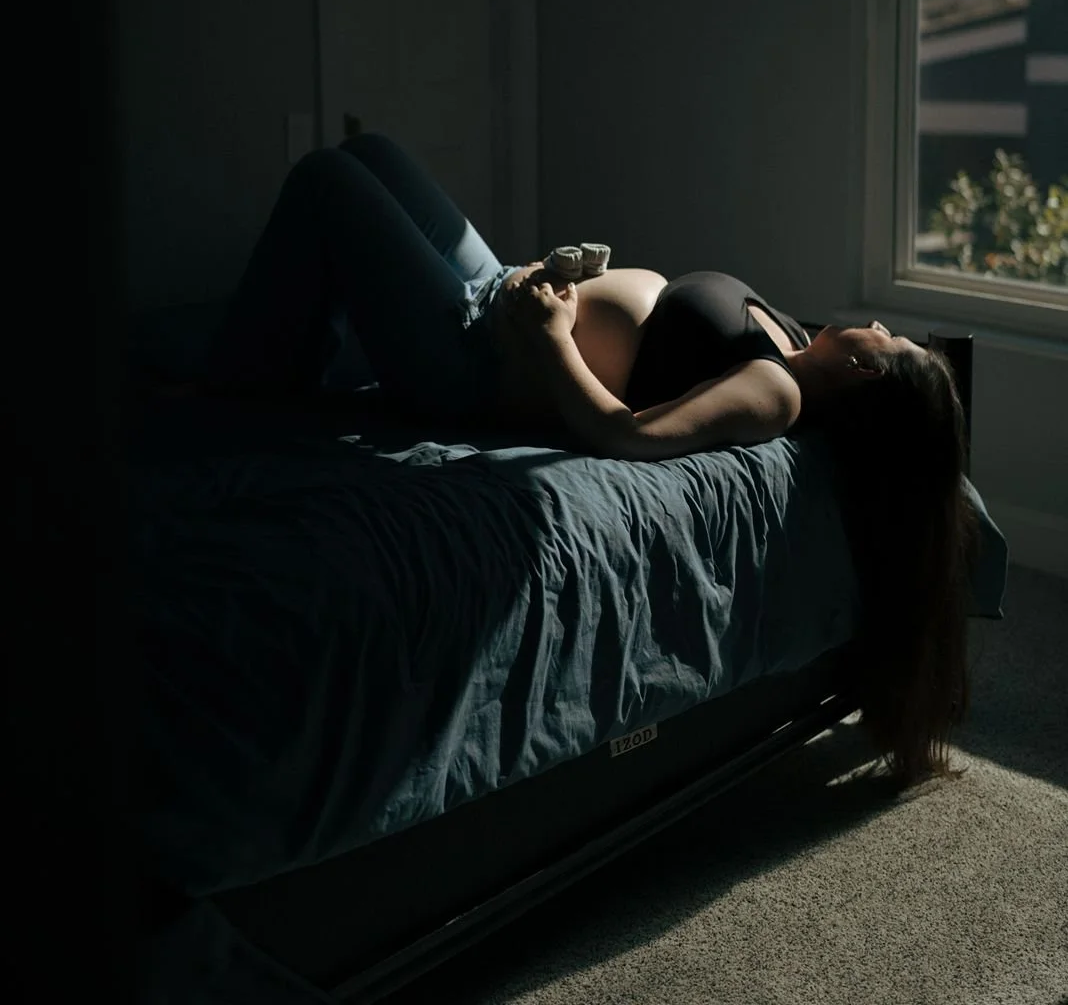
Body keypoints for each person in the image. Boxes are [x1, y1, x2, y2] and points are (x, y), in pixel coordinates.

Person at [206, 131, 980, 789]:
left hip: (469, 359)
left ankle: (239, 387)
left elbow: (626, 435)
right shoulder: (792, 342)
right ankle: (278, 354)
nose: (879, 323)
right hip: (495, 294)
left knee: (326, 181)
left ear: (869, 374)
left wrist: (548, 338)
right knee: (370, 151)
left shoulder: (776, 392)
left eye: (891, 338)